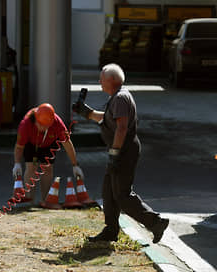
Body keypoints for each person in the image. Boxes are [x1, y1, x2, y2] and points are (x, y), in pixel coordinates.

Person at [72, 63, 169, 243]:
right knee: (109, 191)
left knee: (122, 196)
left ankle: (156, 222)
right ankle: (111, 230)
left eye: (102, 78)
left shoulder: (121, 98)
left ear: (112, 80)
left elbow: (122, 127)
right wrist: (87, 112)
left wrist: (115, 153)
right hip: (118, 150)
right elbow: (108, 118)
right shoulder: (117, 98)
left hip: (124, 151)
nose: (99, 81)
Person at [12, 103, 84, 205]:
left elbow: (67, 144)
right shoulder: (25, 124)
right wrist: (17, 163)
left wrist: (75, 165)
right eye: (41, 125)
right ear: (35, 120)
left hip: (49, 142)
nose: (43, 128)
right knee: (31, 167)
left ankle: (45, 200)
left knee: (48, 168)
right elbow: (19, 146)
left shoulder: (57, 123)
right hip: (31, 143)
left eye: (46, 126)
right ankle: (29, 201)